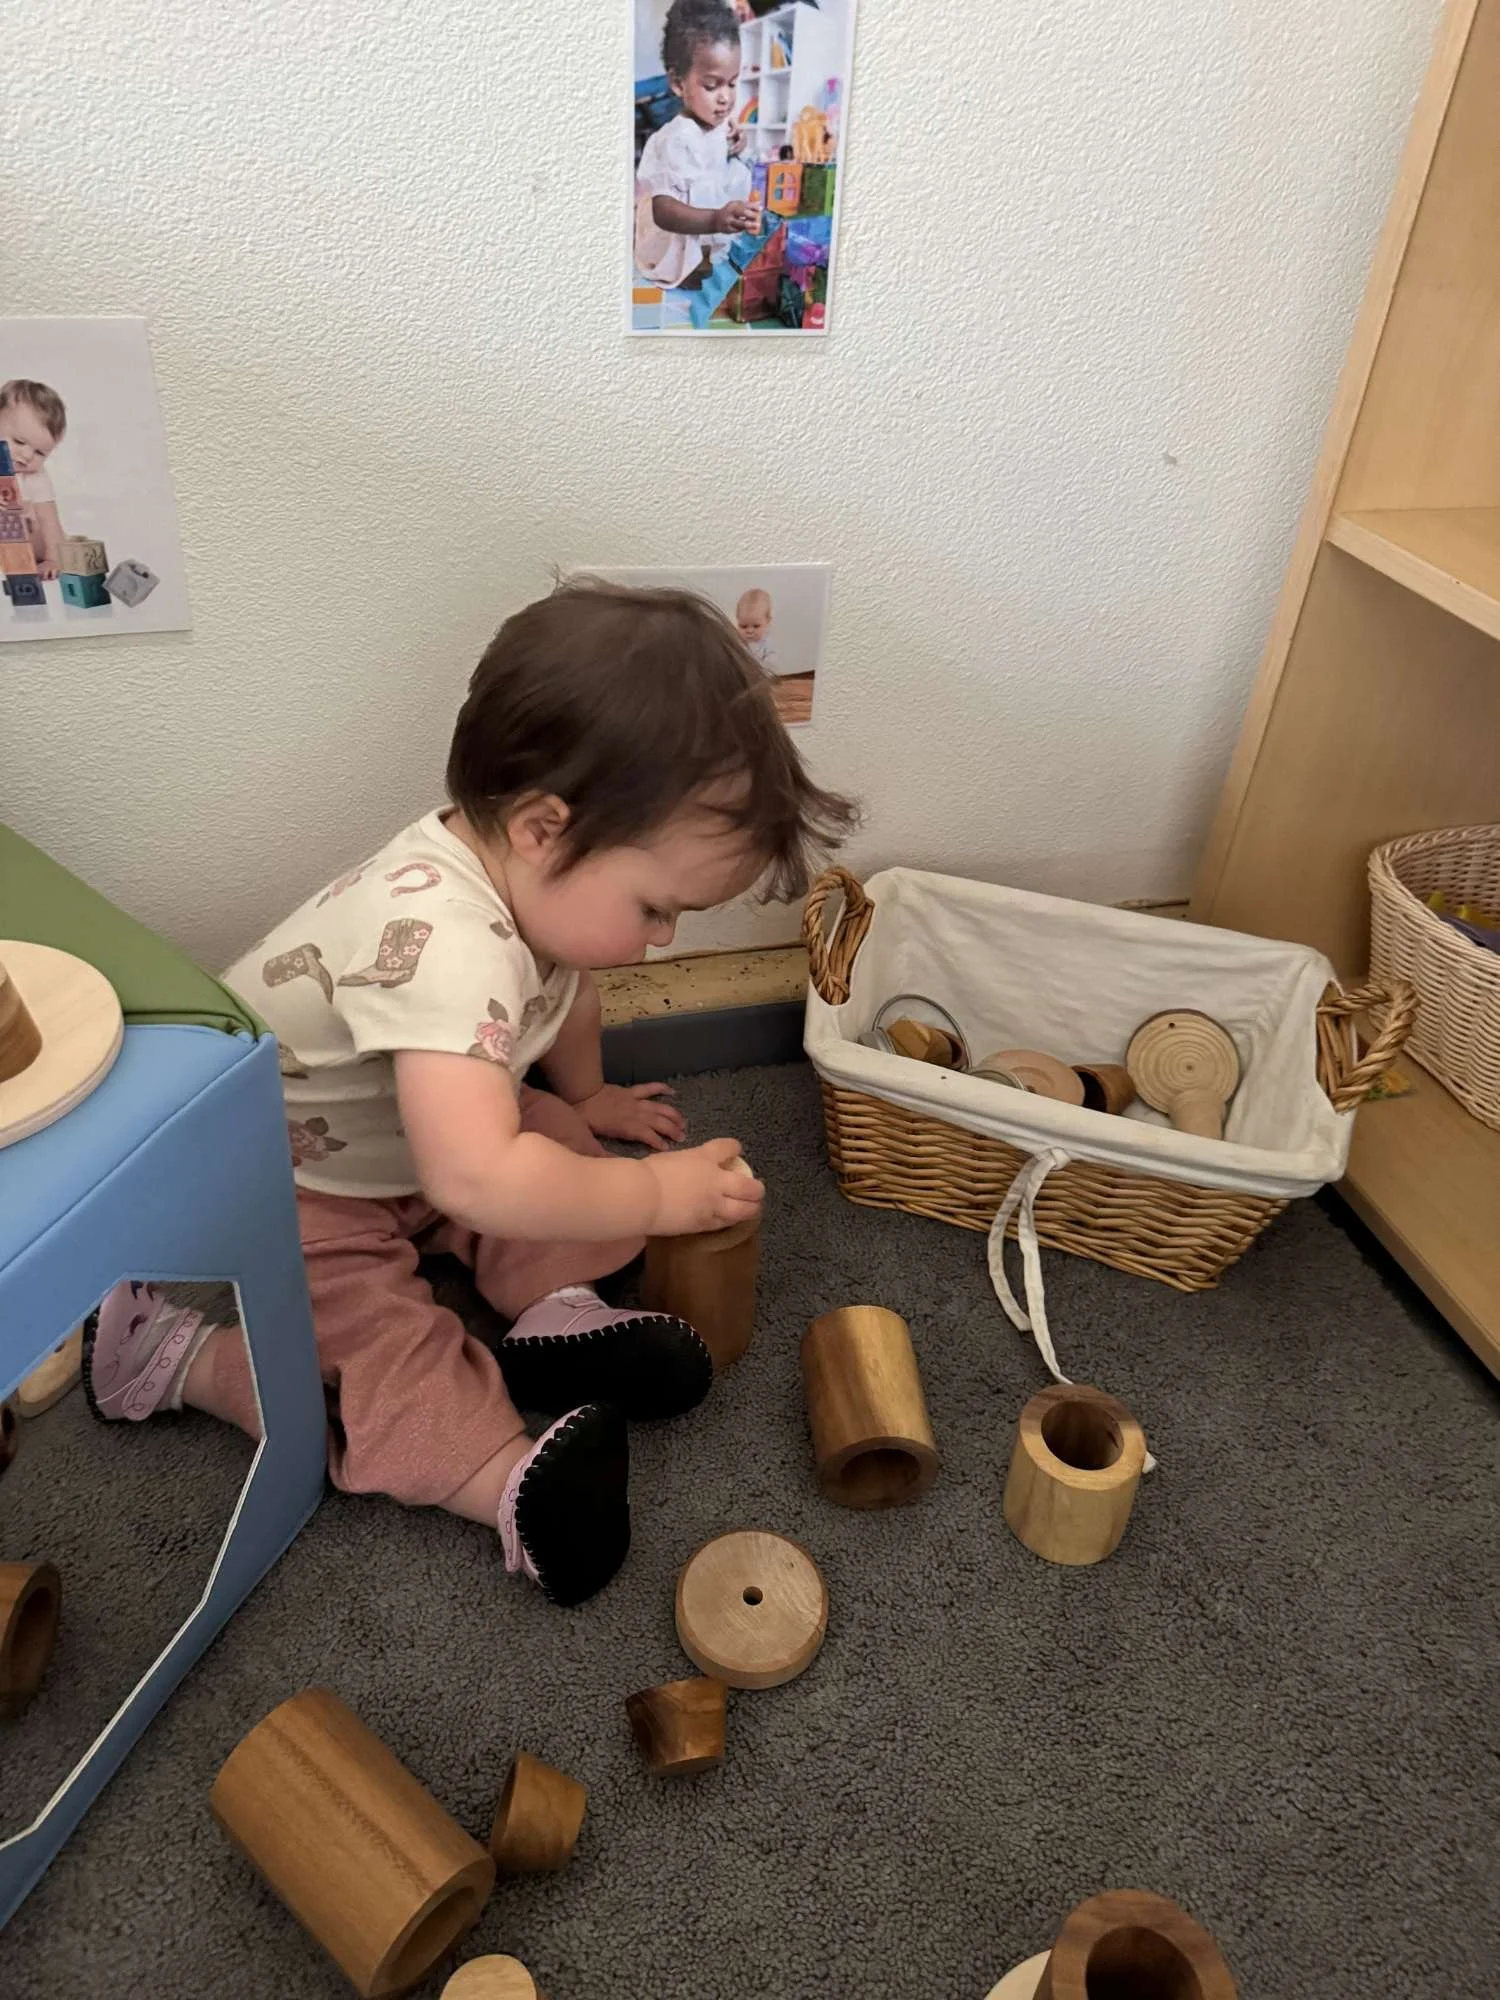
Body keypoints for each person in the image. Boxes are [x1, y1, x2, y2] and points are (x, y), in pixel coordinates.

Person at [82, 580, 858, 1607]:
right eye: (656, 909)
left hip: (412, 1138)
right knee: (367, 1344)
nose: (661, 939)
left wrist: (585, 1101)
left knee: (551, 1143)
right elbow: (481, 1173)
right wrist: (657, 1198)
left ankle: (556, 1313)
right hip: (287, 1188)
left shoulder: (531, 886)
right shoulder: (448, 949)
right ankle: (211, 1371)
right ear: (545, 828)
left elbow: (566, 994)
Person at [635, 0, 758, 288]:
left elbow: (717, 161)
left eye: (732, 83)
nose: (725, 97)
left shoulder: (720, 126)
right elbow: (663, 211)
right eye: (712, 85)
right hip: (673, 244)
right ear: (678, 84)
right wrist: (715, 220)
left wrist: (736, 147)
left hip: (708, 234)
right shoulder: (674, 140)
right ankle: (693, 265)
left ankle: (709, 258)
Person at [0, 379, 69, 579]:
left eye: (40, 453)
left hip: (26, 553)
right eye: (20, 441)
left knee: (38, 522)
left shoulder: (35, 477)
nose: (28, 456)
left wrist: (53, 559)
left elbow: (50, 522)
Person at [735, 586, 778, 670]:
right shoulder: (737, 641)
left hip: (762, 676)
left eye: (756, 626)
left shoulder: (768, 645)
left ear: (768, 621)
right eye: (743, 626)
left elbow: (772, 666)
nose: (749, 631)